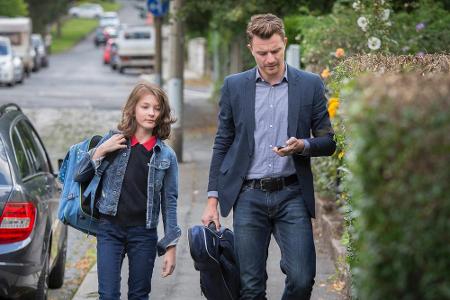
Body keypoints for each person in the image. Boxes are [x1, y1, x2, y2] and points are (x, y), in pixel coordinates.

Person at [201, 13, 336, 300]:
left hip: (292, 195)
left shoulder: (309, 84)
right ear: (251, 49)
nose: (270, 59)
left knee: (302, 279)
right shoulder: (234, 86)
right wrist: (212, 201)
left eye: (276, 50)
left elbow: (328, 141)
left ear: (285, 43)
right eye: (262, 53)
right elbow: (222, 143)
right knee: (250, 288)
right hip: (248, 196)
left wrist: (302, 145)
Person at [76, 82, 181, 300]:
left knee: (139, 295)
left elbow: (169, 202)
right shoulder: (114, 141)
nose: (151, 113)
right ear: (133, 108)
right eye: (145, 106)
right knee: (108, 295)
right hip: (110, 230)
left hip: (144, 233)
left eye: (157, 108)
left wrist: (170, 246)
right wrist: (102, 150)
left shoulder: (166, 155)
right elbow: (80, 175)